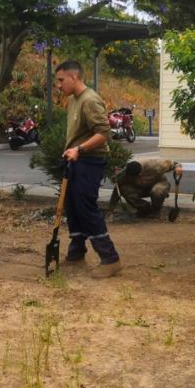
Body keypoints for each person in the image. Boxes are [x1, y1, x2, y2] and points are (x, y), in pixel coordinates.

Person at [56, 60, 121, 278]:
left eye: (61, 80)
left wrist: (79, 149)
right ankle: (76, 252)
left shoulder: (90, 100)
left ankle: (110, 259)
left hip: (89, 161)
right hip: (76, 161)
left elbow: (103, 133)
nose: (58, 85)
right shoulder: (74, 99)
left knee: (85, 208)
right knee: (73, 206)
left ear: (74, 77)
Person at [110, 158, 183, 218]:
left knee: (157, 191)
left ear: (140, 173)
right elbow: (117, 189)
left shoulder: (153, 164)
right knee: (124, 189)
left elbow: (175, 164)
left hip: (159, 183)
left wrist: (178, 168)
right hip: (140, 188)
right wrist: (111, 208)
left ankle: (155, 211)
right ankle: (145, 209)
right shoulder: (125, 173)